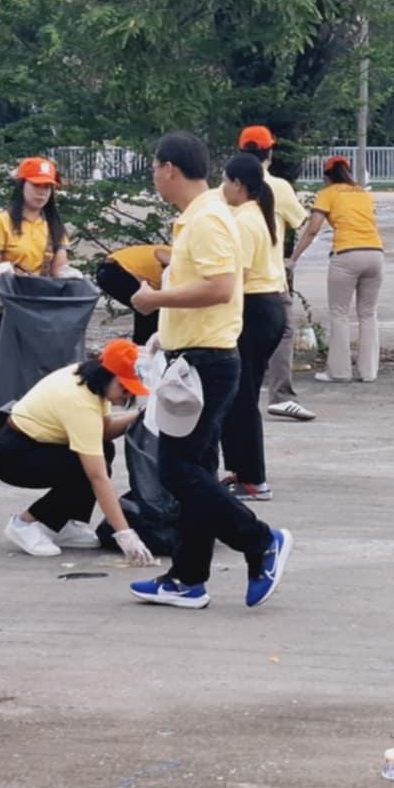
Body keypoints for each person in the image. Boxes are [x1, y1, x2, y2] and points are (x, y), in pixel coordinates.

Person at [127, 131, 291, 611]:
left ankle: (260, 541)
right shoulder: (197, 218)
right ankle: (187, 578)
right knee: (193, 470)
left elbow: (221, 288)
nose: (154, 177)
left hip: (207, 362)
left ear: (169, 169)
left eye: (155, 168)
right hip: (193, 355)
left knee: (178, 470)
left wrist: (153, 298)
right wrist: (165, 331)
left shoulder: (208, 220)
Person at [0, 338, 157, 567]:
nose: (126, 397)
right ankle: (25, 523)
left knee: (102, 450)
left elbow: (103, 430)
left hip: (38, 444)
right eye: (124, 388)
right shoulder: (79, 401)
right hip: (14, 455)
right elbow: (97, 477)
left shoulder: (91, 382)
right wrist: (125, 533)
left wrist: (140, 415)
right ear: (106, 374)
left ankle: (66, 522)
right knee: (86, 468)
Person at [216, 152, 285, 501]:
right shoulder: (260, 213)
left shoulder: (244, 220)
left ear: (239, 185)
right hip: (270, 306)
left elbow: (237, 278)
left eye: (225, 180)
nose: (222, 187)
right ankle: (242, 472)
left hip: (254, 308)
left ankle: (254, 479)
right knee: (241, 394)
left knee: (240, 397)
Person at [237, 127, 314, 424]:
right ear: (269, 152)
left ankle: (239, 396)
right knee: (283, 331)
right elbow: (301, 221)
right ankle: (281, 395)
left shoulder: (228, 186)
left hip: (232, 278)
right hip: (268, 278)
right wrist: (290, 257)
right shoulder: (278, 187)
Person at [290, 155, 385, 383]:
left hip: (347, 255)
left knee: (340, 313)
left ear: (327, 176)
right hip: (375, 253)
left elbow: (312, 230)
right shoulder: (363, 192)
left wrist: (294, 257)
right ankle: (369, 372)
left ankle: (340, 372)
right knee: (368, 313)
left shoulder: (328, 193)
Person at [0, 157, 71, 339]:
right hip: (11, 300)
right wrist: (3, 269)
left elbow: (59, 269)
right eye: (36, 186)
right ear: (21, 186)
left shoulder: (55, 225)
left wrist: (68, 273)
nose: (42, 193)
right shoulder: (1, 222)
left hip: (43, 301)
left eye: (47, 187)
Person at [95, 243, 170, 345]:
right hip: (117, 271)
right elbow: (160, 254)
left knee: (148, 309)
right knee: (150, 309)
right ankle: (143, 349)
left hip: (109, 271)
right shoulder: (177, 256)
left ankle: (141, 348)